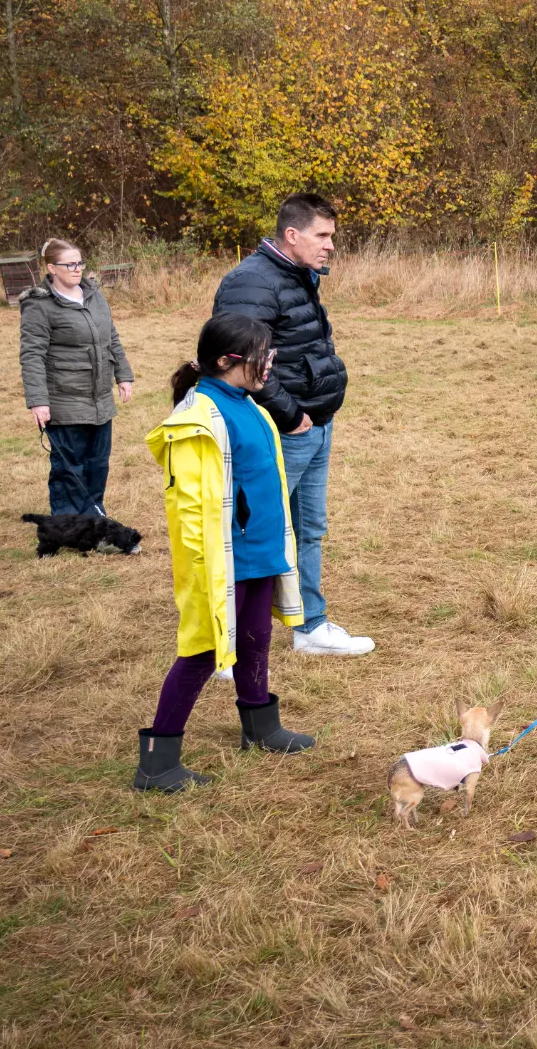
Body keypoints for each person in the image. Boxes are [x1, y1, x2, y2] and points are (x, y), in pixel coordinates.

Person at [136, 313, 315, 792]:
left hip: (260, 552)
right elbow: (191, 512)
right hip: (225, 561)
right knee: (204, 649)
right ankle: (158, 761)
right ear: (227, 361)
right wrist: (210, 569)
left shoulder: (250, 405)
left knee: (256, 637)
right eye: (264, 356)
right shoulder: (197, 419)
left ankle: (261, 727)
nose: (270, 363)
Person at [213, 194, 373, 656]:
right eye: (322, 236)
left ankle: (310, 627)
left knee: (309, 527)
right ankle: (229, 635)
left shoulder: (297, 275)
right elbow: (238, 360)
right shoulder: (251, 283)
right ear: (292, 235)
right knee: (254, 529)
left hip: (316, 423)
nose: (330, 246)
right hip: (283, 429)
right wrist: (290, 414)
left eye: (332, 237)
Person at [18, 238, 135, 516]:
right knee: (70, 468)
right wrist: (38, 401)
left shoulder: (94, 295)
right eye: (69, 264)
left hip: (100, 400)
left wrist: (123, 375)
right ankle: (68, 525)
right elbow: (32, 355)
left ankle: (95, 517)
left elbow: (111, 337)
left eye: (79, 262)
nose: (77, 268)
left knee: (98, 464)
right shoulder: (40, 306)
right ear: (51, 268)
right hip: (65, 401)